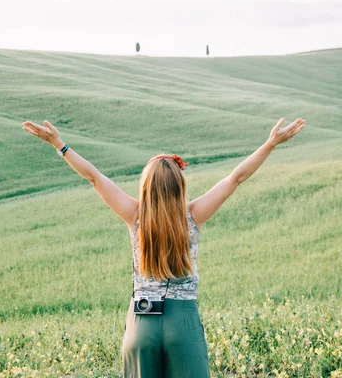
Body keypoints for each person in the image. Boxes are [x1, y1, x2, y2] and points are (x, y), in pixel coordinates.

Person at [22, 117, 306, 377]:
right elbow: (236, 177)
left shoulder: (133, 215)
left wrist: (60, 144)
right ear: (179, 186)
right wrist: (270, 144)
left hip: (141, 321)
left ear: (146, 187)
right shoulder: (194, 215)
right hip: (182, 321)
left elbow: (94, 177)